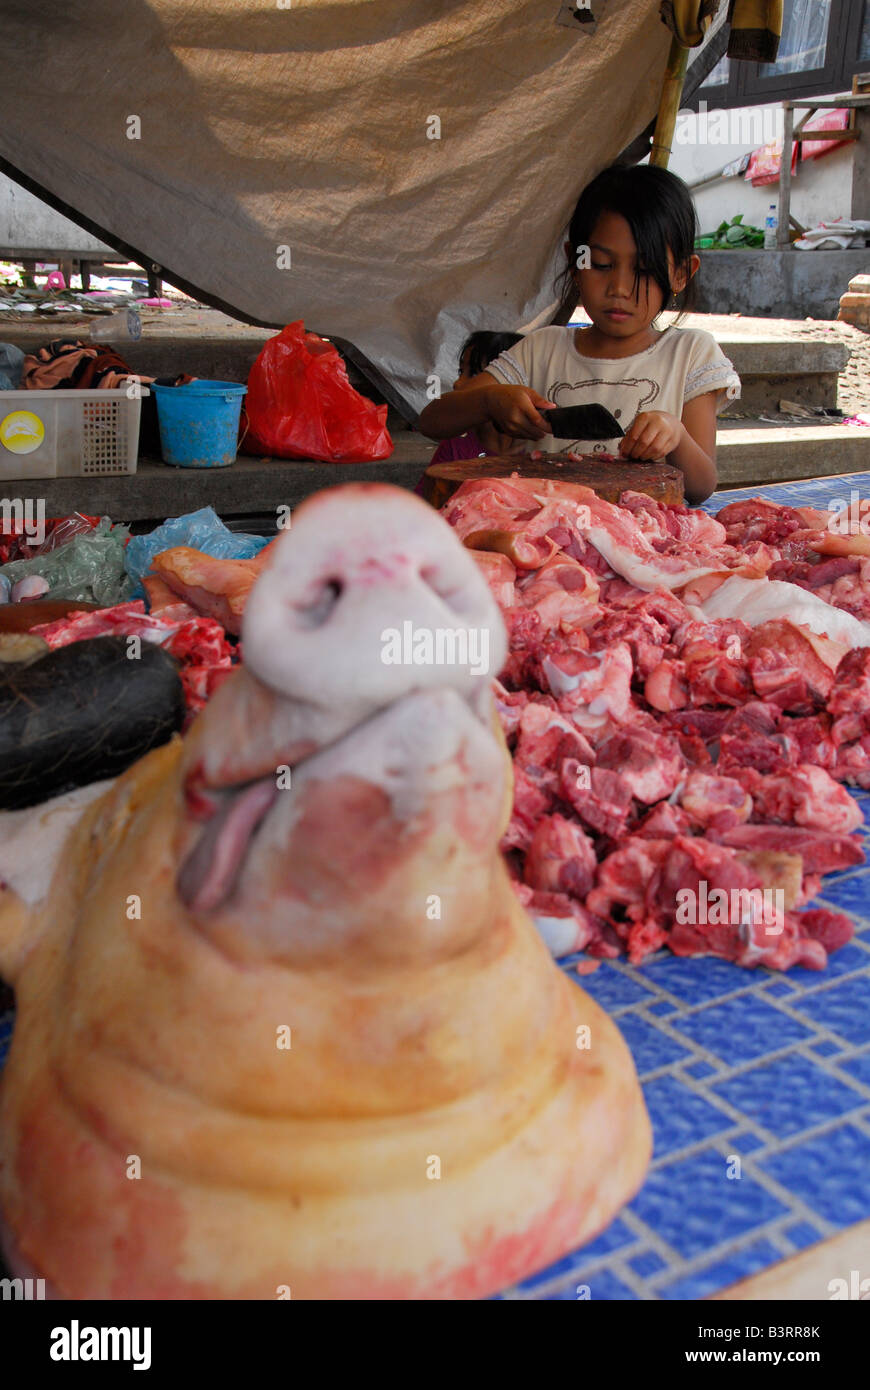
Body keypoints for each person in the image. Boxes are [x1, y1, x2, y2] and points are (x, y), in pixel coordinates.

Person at [418, 164, 740, 504]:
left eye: (644, 270)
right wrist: (489, 401)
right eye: (601, 264)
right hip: (552, 543)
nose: (619, 288)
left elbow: (702, 487)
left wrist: (677, 437)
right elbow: (433, 420)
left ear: (680, 274)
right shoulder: (542, 349)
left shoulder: (690, 354)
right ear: (575, 262)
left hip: (647, 545)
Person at [428, 330, 524, 465]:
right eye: (461, 372)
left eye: (473, 374)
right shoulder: (456, 444)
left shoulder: (541, 451)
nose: (458, 383)